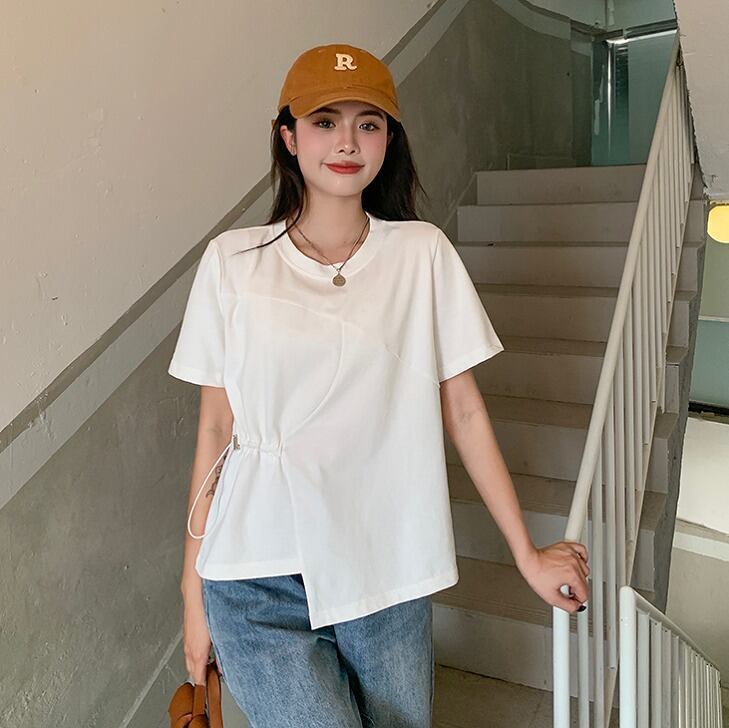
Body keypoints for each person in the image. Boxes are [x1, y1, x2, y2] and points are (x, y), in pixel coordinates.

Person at [168, 43, 590, 728]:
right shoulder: (232, 263)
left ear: (388, 140)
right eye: (324, 122)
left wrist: (527, 555)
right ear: (288, 137)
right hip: (253, 576)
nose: (346, 141)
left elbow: (464, 410)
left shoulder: (421, 254)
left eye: (367, 123)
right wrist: (192, 593)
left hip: (386, 566)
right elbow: (216, 431)